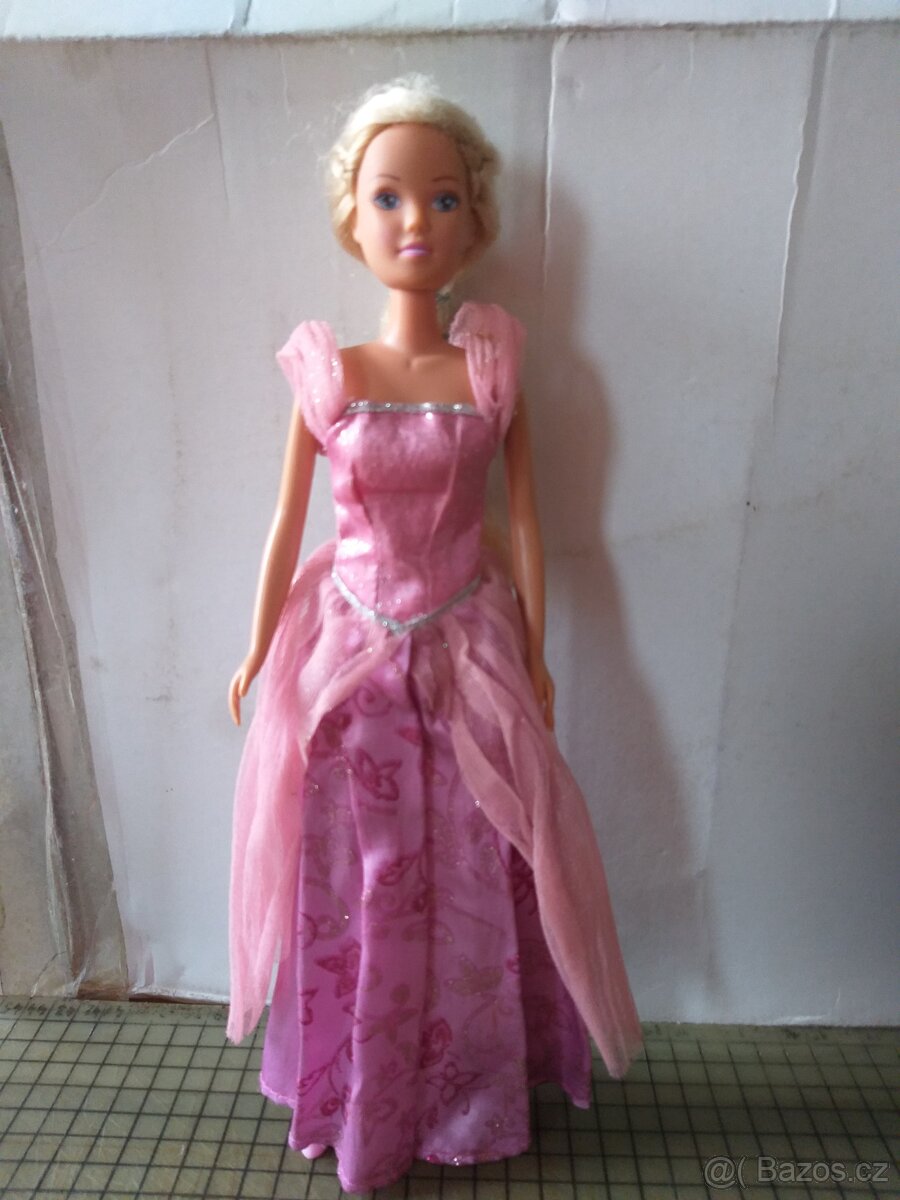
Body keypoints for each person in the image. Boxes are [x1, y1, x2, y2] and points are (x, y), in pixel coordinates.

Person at [226, 75, 642, 1194]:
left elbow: (528, 524)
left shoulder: (491, 372)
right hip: (349, 657)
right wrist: (258, 647)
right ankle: (356, 1085)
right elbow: (287, 525)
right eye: (390, 197)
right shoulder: (331, 375)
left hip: (468, 650)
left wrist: (537, 655)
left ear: (474, 220)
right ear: (353, 217)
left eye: (443, 199)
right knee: (358, 874)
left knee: (471, 870)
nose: (416, 221)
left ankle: (465, 1092)